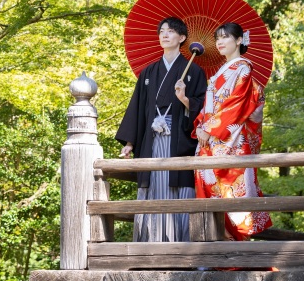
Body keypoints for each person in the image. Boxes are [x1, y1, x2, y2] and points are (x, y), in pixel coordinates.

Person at [116, 17, 207, 242]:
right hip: (152, 139)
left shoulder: (194, 72)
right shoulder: (148, 73)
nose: (164, 35)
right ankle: (149, 247)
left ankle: (181, 247)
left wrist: (185, 99)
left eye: (171, 31)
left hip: (178, 139)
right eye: (162, 31)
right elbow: (137, 108)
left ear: (182, 38)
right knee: (153, 186)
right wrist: (130, 142)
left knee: (177, 186)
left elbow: (204, 109)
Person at [193, 22, 272, 241]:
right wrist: (202, 125)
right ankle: (213, 252)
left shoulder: (243, 68)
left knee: (231, 197)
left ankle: (234, 253)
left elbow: (236, 104)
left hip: (230, 140)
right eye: (217, 38)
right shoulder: (223, 69)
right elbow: (211, 106)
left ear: (239, 40)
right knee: (210, 194)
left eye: (226, 37)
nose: (219, 42)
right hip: (211, 140)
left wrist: (209, 128)